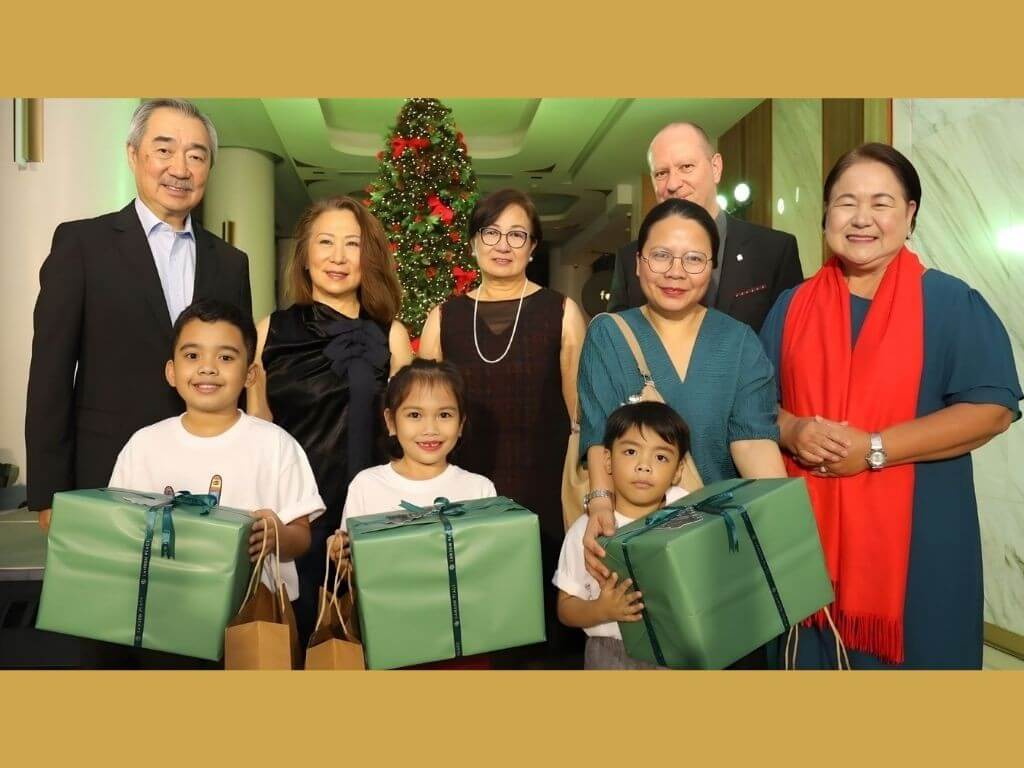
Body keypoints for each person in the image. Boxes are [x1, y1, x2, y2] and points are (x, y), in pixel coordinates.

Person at [759, 143, 1021, 669]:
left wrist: (875, 448)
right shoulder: (792, 305)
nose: (862, 218)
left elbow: (992, 408)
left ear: (910, 214)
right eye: (846, 202)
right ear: (826, 214)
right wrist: (792, 430)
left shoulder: (949, 302)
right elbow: (757, 403)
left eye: (881, 203)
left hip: (920, 540)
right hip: (806, 539)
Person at [26, 98, 252, 531]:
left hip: (209, 481)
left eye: (196, 156)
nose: (180, 168)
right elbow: (50, 376)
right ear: (133, 155)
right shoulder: (82, 245)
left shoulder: (230, 262)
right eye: (164, 150)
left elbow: (235, 370)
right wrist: (49, 493)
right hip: (106, 474)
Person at [577, 199, 786, 641]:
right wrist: (599, 506)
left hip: (720, 543)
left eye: (694, 259)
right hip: (636, 544)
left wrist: (783, 533)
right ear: (638, 262)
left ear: (712, 268)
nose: (676, 272)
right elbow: (598, 434)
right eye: (661, 256)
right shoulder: (609, 334)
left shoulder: (739, 342)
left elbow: (754, 443)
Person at [418, 188, 587, 668]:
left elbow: (579, 415)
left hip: (544, 494)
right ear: (474, 241)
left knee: (542, 635)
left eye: (517, 235)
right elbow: (423, 415)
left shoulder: (561, 312)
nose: (503, 245)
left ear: (533, 247)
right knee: (472, 627)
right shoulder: (444, 317)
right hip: (464, 496)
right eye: (491, 233)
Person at [109, 299, 324, 667]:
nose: (207, 367)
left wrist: (277, 534)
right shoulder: (143, 445)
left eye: (225, 357)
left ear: (250, 374)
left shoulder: (275, 444)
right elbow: (119, 532)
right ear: (171, 371)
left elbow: (301, 537)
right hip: (164, 617)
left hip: (251, 618)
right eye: (192, 356)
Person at [246, 195, 413, 643]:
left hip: (369, 519)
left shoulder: (392, 336)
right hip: (291, 519)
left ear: (368, 256)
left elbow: (408, 441)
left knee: (370, 647)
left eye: (352, 244)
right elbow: (257, 431)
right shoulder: (268, 331)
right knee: (292, 645)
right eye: (325, 242)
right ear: (304, 255)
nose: (338, 257)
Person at [329, 358, 496, 668]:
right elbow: (357, 579)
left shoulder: (479, 489)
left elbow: (488, 575)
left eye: (444, 415)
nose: (430, 429)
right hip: (390, 641)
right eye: (415, 415)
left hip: (462, 644)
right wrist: (342, 559)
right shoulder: (367, 485)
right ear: (391, 422)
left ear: (461, 423)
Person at [606, 121, 801, 333]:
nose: (672, 184)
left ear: (715, 168)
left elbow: (790, 342)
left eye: (686, 167)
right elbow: (617, 341)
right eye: (661, 173)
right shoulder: (630, 259)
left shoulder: (774, 250)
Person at [554, 402, 690, 669]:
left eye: (661, 457)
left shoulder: (687, 514)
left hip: (680, 647)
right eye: (630, 452)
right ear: (607, 460)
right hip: (612, 655)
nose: (644, 466)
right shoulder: (587, 530)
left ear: (678, 470)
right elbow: (565, 608)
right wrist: (601, 610)